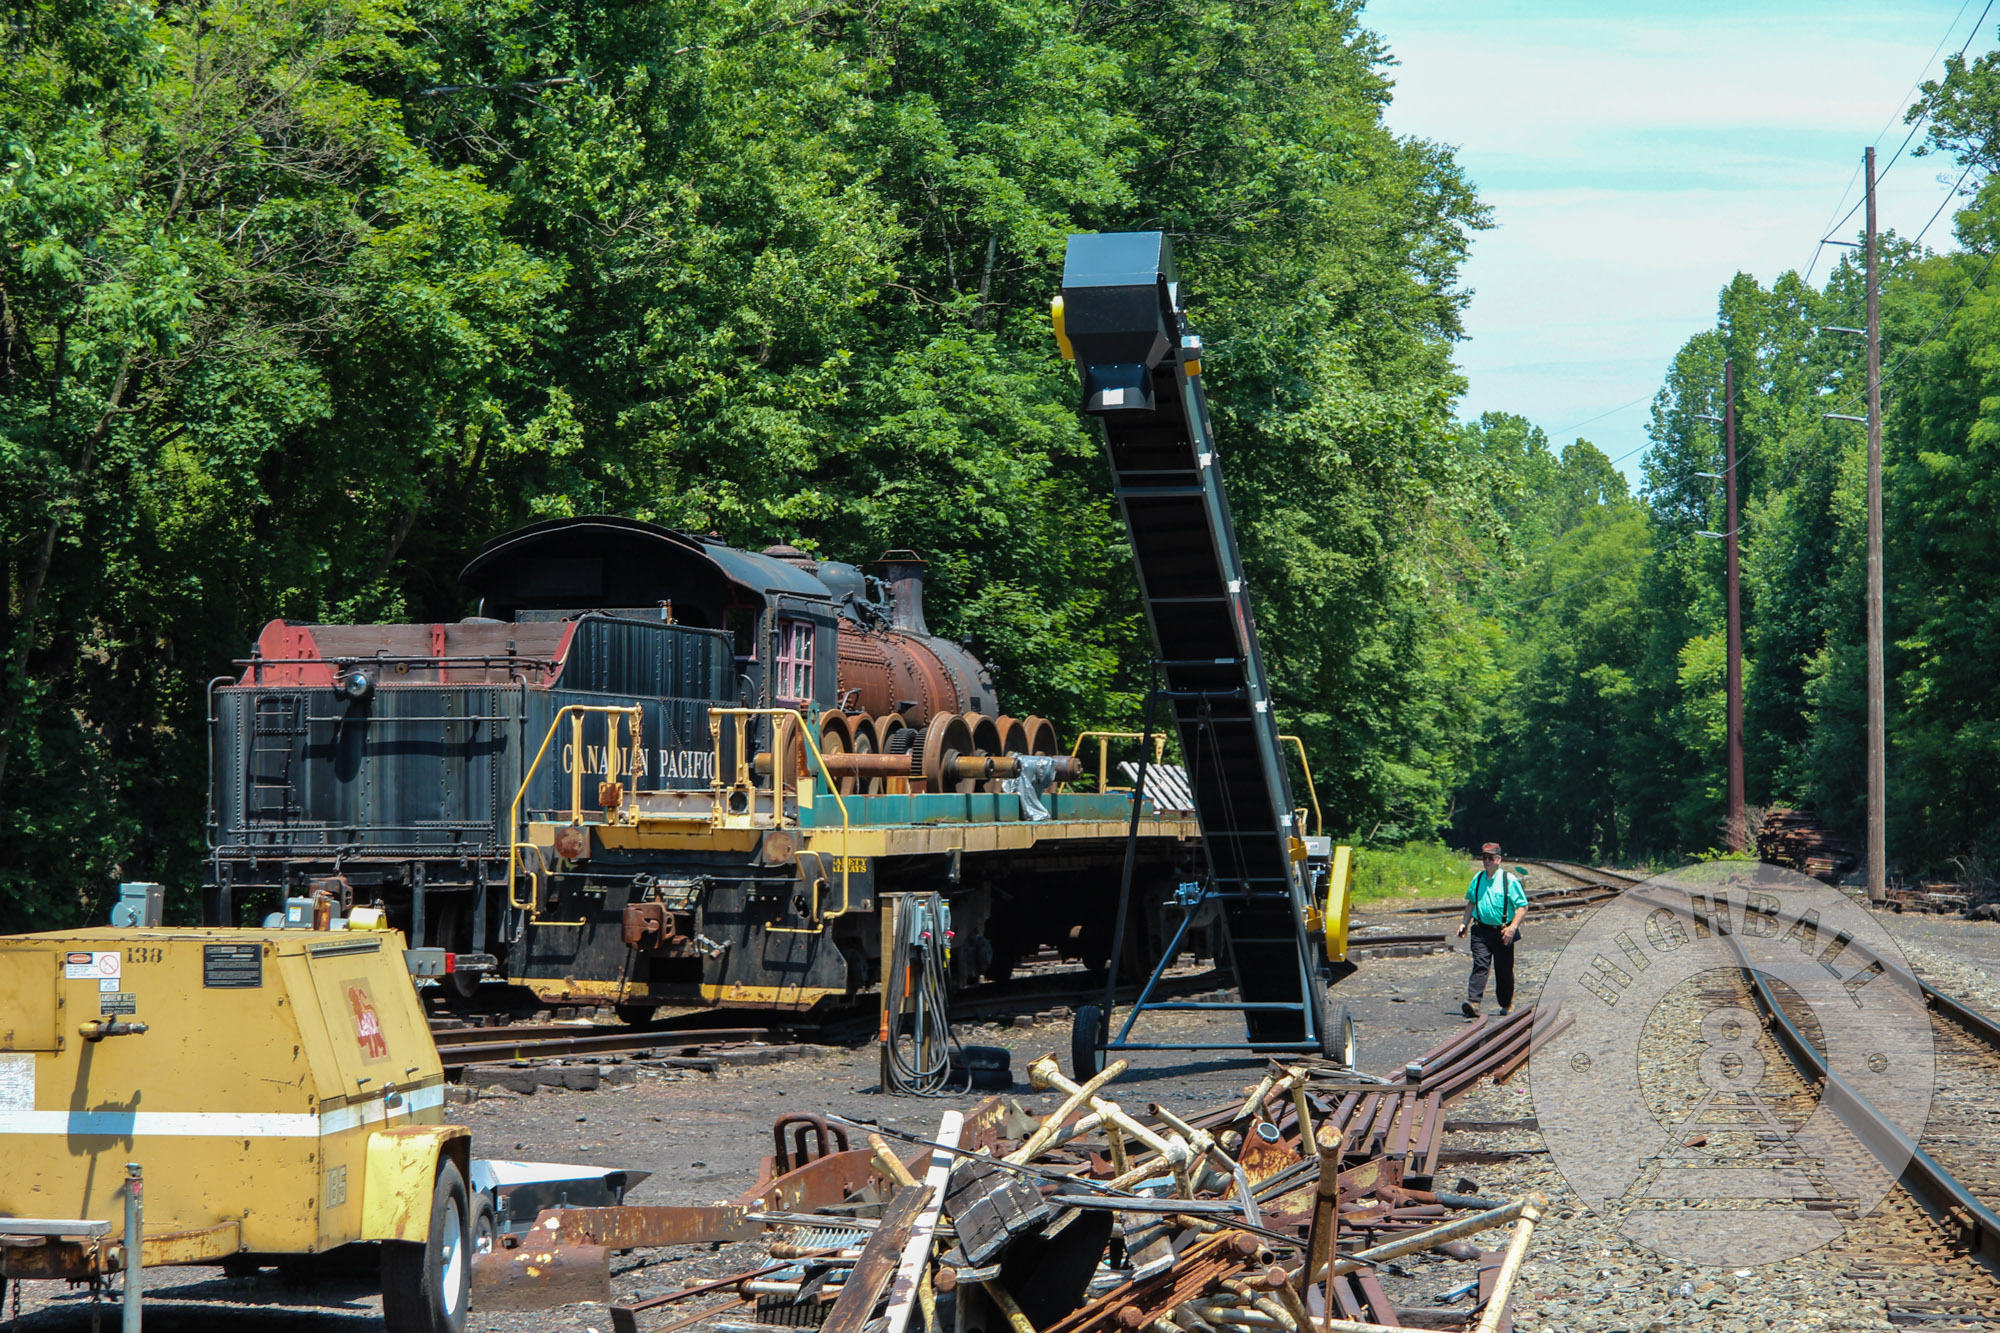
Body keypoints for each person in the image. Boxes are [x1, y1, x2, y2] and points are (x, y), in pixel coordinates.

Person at [1456, 842, 1527, 1018]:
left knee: (1503, 970)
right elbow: (1471, 902)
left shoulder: (1508, 880)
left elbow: (1522, 906)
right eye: (1484, 857)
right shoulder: (1478, 879)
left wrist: (1513, 927)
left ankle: (1506, 1003)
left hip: (1503, 931)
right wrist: (1464, 923)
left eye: (1490, 857)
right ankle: (1473, 1002)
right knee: (1480, 964)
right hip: (1481, 930)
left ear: (1498, 859)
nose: (1486, 861)